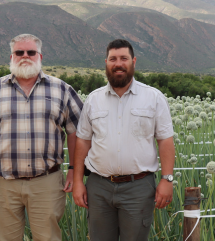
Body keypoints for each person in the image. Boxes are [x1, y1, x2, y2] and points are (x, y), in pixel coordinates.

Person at [0, 34, 84, 241]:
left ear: (40, 56)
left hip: (46, 182)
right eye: (20, 52)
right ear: (12, 56)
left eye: (31, 52)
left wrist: (74, 170)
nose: (25, 56)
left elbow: (76, 132)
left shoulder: (61, 89)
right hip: (3, 184)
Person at [72, 39, 175, 241]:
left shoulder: (154, 97)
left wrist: (167, 179)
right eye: (113, 59)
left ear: (133, 61)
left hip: (138, 187)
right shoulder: (93, 99)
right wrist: (77, 182)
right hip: (99, 187)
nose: (118, 63)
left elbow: (165, 141)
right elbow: (82, 141)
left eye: (123, 58)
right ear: (106, 63)